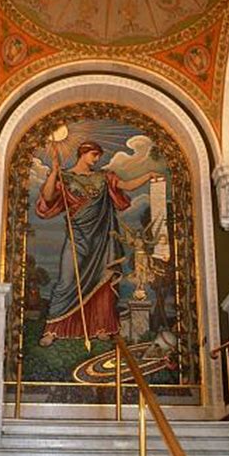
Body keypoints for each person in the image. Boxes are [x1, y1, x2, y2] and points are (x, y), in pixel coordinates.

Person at [36, 141, 157, 346]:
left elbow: (126, 186)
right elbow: (47, 197)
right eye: (94, 154)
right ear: (83, 154)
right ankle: (54, 328)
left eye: (98, 156)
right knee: (66, 281)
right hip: (78, 236)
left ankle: (102, 326)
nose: (96, 159)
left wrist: (147, 175)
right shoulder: (65, 177)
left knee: (103, 282)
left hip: (101, 238)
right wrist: (54, 172)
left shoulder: (104, 177)